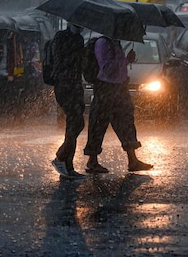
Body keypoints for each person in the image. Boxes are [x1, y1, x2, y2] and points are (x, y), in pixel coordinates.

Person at [83, 36, 153, 173]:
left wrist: (127, 61)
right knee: (99, 124)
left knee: (126, 122)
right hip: (106, 88)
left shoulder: (116, 43)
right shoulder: (103, 43)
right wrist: (126, 60)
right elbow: (107, 68)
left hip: (119, 88)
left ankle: (132, 160)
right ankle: (92, 160)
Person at [49, 23, 86, 179]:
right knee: (75, 121)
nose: (80, 27)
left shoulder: (79, 39)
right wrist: (78, 54)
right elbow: (60, 60)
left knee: (77, 123)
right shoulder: (60, 37)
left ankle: (65, 161)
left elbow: (80, 65)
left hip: (76, 84)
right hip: (64, 84)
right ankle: (62, 159)